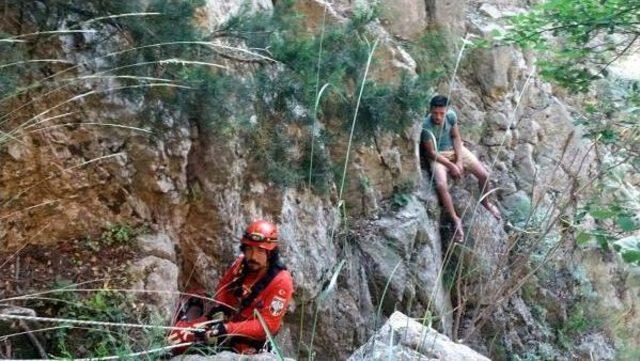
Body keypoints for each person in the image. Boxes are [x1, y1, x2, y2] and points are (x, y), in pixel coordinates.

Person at [167, 220, 294, 354]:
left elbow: (268, 325)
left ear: (271, 253)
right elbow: (224, 286)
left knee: (188, 343)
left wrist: (228, 329)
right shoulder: (241, 264)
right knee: (177, 336)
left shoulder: (281, 281)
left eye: (260, 251)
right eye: (249, 249)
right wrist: (221, 310)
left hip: (247, 341)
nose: (253, 256)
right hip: (223, 324)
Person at [421, 95, 501, 242]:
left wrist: (458, 160)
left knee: (484, 175)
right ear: (430, 110)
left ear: (446, 111)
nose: (438, 117)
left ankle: (486, 203)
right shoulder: (426, 127)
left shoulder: (451, 116)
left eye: (441, 113)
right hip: (438, 155)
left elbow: (456, 137)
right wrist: (451, 165)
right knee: (440, 184)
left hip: (455, 150)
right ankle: (455, 218)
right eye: (435, 113)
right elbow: (430, 152)